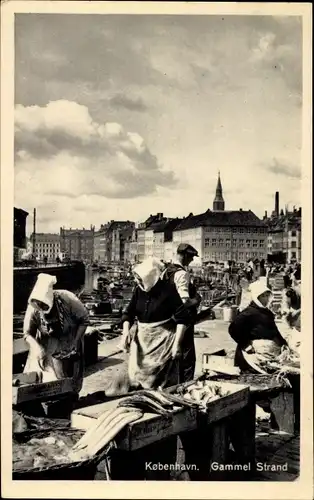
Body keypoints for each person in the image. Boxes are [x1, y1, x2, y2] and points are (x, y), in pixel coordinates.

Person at [120, 257, 191, 389]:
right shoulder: (139, 290)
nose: (137, 281)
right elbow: (128, 314)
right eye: (137, 278)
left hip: (162, 343)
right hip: (141, 342)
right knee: (137, 379)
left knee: (160, 382)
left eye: (141, 279)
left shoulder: (168, 290)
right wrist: (125, 333)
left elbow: (183, 319)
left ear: (150, 277)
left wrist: (177, 344)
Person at [23, 274, 89, 397]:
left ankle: (70, 397)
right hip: (45, 344)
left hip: (69, 340)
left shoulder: (68, 298)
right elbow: (27, 333)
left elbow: (84, 320)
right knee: (45, 380)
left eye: (44, 306)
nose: (41, 308)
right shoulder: (32, 307)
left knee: (71, 380)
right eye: (39, 306)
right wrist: (37, 348)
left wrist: (76, 341)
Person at [228, 279, 288, 372]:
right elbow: (233, 329)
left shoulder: (267, 312)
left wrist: (283, 343)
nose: (266, 298)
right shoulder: (248, 313)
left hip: (266, 354)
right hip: (250, 355)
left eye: (267, 295)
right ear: (257, 297)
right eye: (263, 296)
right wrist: (246, 345)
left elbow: (274, 331)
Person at [163, 243, 201, 383]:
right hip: (184, 321)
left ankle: (173, 383)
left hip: (169, 319)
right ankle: (186, 386)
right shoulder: (182, 274)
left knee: (173, 354)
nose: (191, 260)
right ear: (184, 256)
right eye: (190, 257)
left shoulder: (167, 271)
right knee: (187, 357)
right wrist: (196, 300)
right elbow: (184, 301)